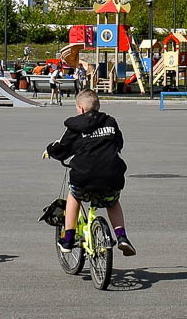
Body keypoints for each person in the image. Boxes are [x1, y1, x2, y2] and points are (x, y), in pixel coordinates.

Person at [42, 91, 135, 255]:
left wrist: (50, 151)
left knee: (74, 196)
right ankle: (122, 237)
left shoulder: (75, 126)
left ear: (81, 108)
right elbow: (119, 143)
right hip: (111, 175)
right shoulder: (111, 122)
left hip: (84, 175)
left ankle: (68, 238)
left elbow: (62, 147)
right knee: (112, 202)